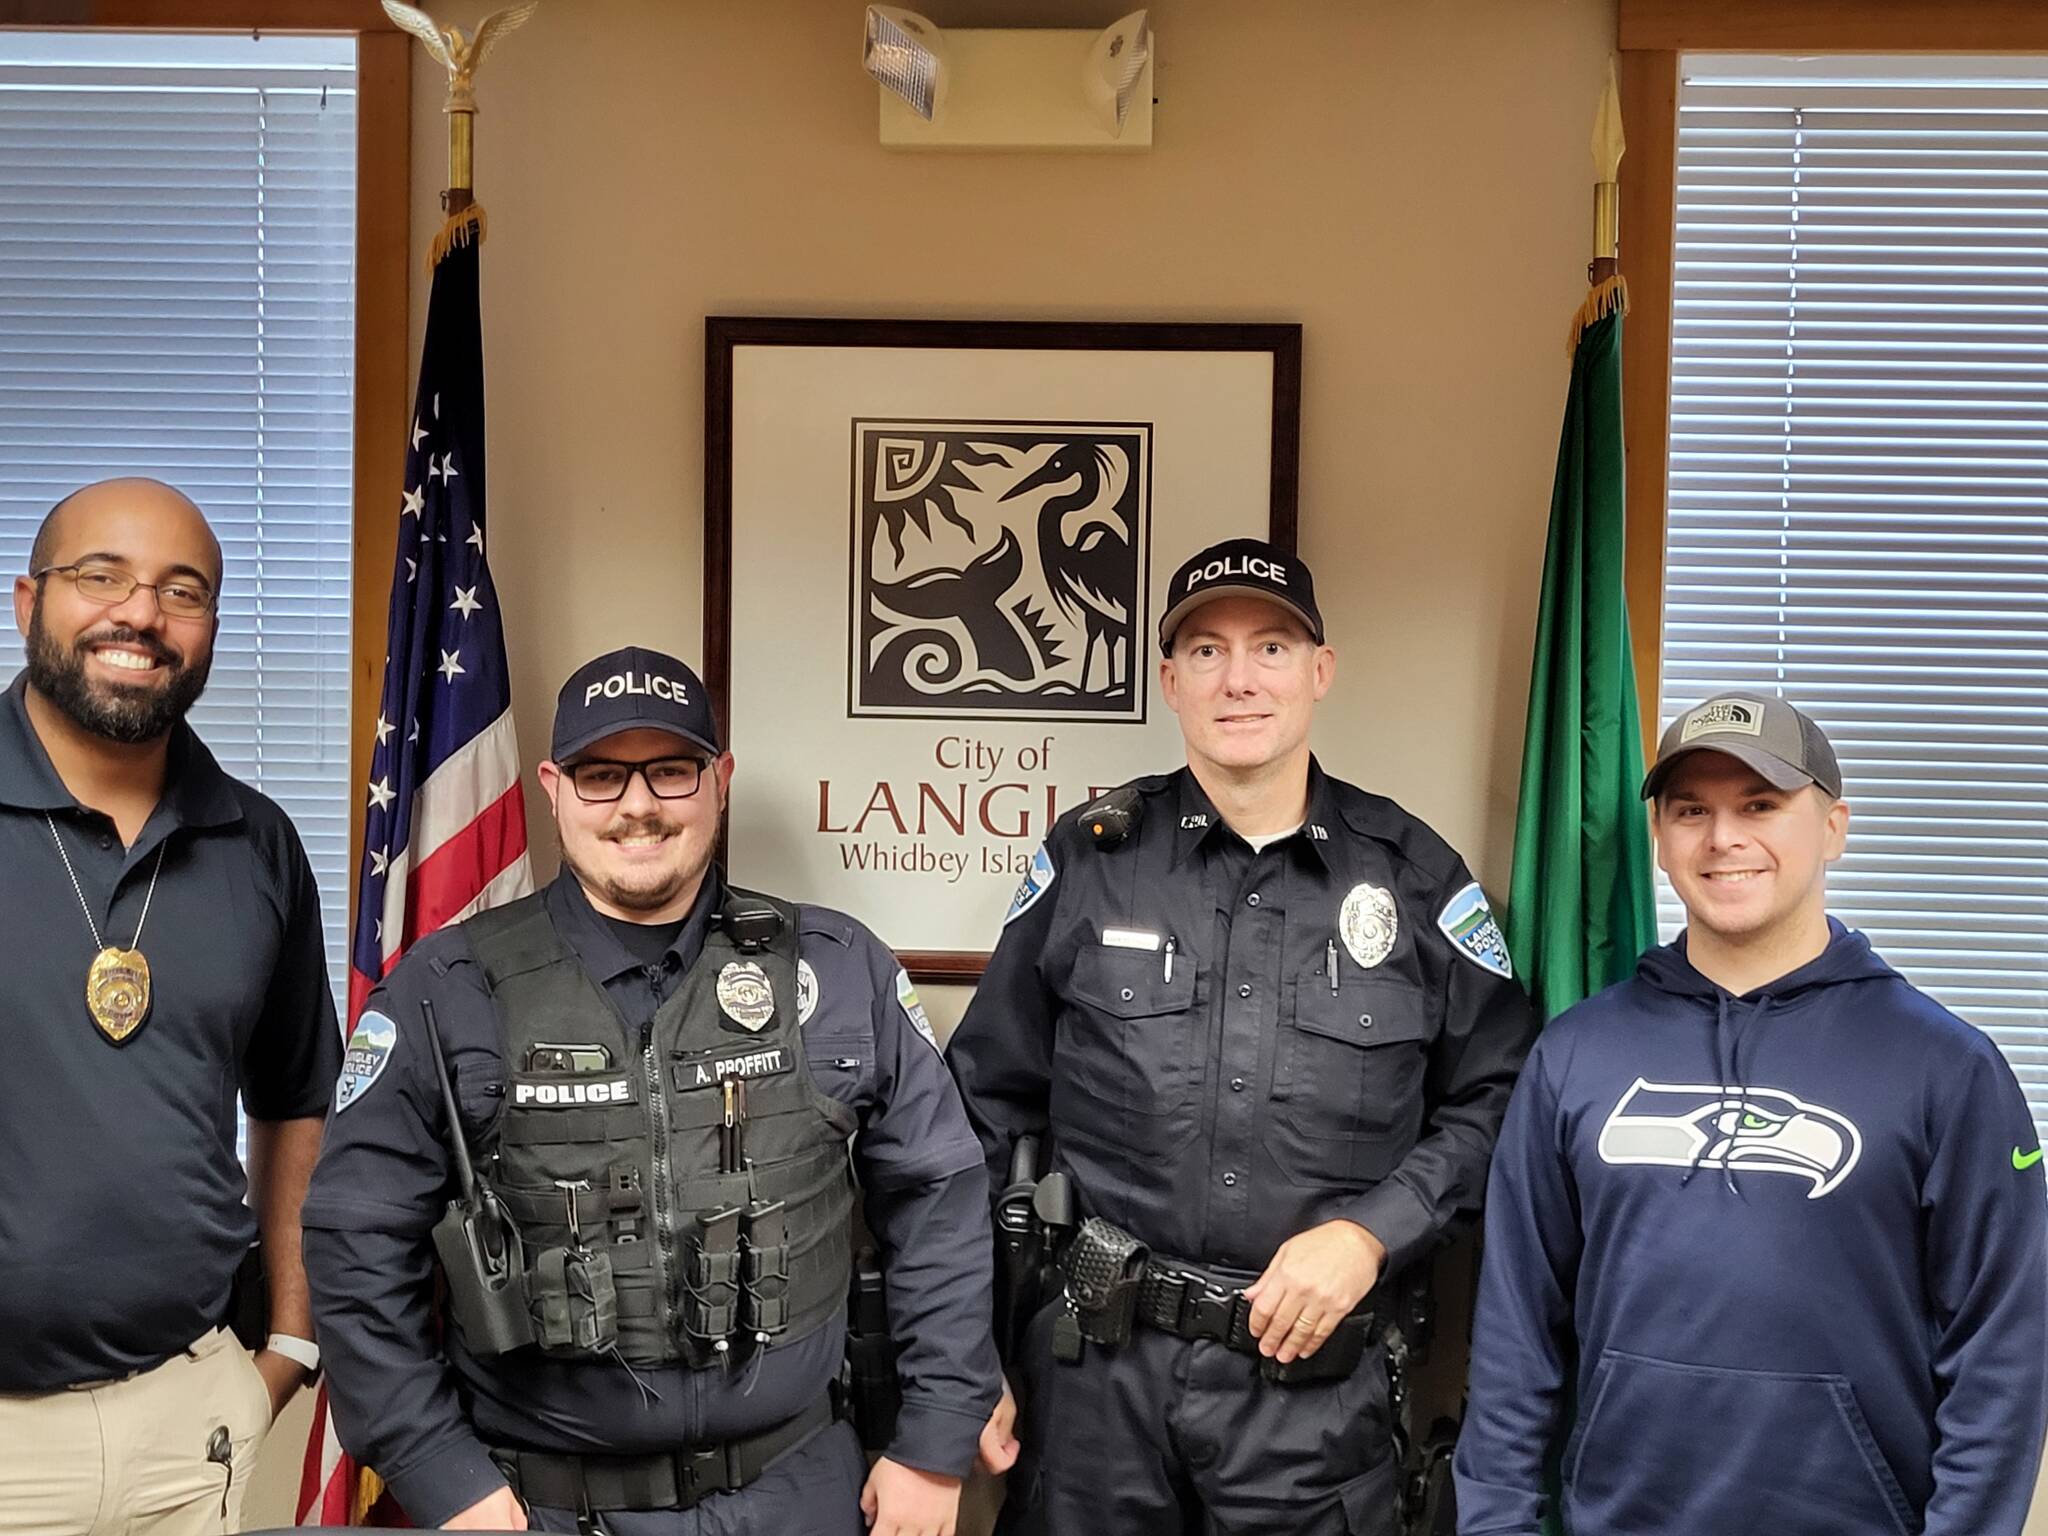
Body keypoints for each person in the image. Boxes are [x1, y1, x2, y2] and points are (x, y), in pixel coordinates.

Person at [303, 645, 1002, 1534]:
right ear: (552, 787)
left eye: (671, 771)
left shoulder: (837, 969)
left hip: (797, 1493)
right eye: (602, 775)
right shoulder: (446, 990)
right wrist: (440, 1477)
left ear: (720, 781)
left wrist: (935, 1442)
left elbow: (939, 1199)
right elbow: (355, 1241)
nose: (638, 805)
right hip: (539, 1507)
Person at [945, 538, 1537, 1536]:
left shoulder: (1412, 876)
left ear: (1319, 672)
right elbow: (980, 1108)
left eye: (1269, 647)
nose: (1239, 679)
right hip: (1096, 1383)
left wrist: (1370, 1232)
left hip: (1311, 1391)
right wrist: (967, 1358)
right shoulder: (1089, 863)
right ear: (1170, 682)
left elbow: (1501, 1096)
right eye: (1206, 653)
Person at [1454, 692, 2048, 1536]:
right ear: (1658, 836)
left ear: (1834, 828)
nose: (1723, 838)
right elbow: (1516, 1334)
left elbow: (2003, 1358)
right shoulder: (1575, 1055)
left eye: (1761, 806)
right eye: (1692, 810)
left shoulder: (1947, 1067)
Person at [0, 478, 338, 1534]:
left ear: (209, 630)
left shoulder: (259, 842)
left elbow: (295, 1099)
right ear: (25, 601)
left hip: (189, 1426)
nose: (139, 614)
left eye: (180, 591)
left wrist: (289, 1342)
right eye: (100, 576)